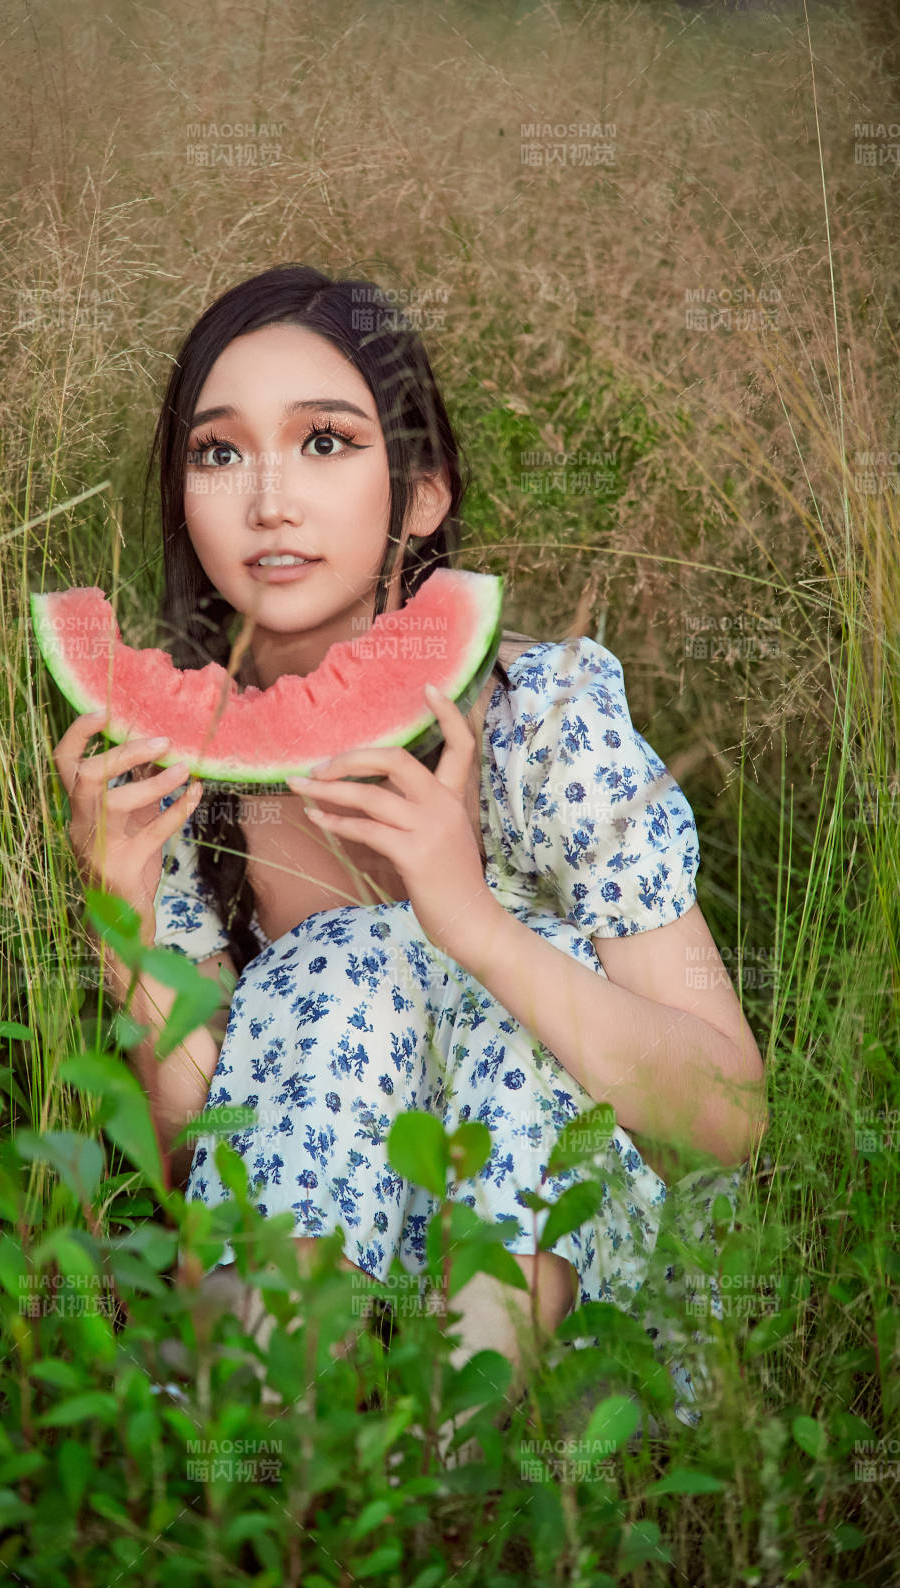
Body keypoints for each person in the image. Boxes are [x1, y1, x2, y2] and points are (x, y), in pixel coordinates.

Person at [51, 263, 769, 1444]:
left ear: (423, 492)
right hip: (320, 1280)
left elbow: (727, 1118)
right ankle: (277, 1446)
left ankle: (466, 1453)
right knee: (333, 966)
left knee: (461, 951)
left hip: (596, 1308)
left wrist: (469, 920)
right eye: (217, 453)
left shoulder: (543, 721)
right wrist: (123, 923)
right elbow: (198, 1159)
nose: (267, 499)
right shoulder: (180, 781)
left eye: (323, 442)